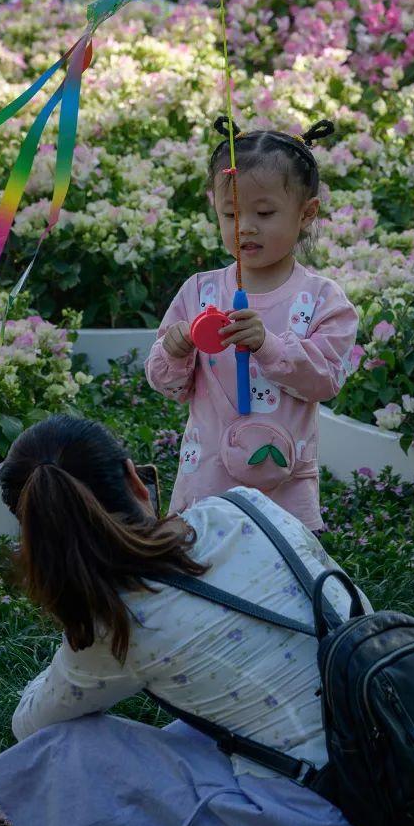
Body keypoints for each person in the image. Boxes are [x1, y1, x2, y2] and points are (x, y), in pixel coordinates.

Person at [0, 413, 414, 826]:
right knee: (206, 725)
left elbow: (32, 727)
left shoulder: (116, 623)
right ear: (136, 480)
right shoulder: (247, 507)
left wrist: (73, 643)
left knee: (61, 754)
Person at [145, 119, 359, 533]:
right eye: (230, 213)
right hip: (206, 481)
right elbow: (168, 385)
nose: (244, 225)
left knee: (280, 579)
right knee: (205, 574)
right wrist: (174, 349)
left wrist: (269, 346)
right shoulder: (199, 292)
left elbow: (325, 380)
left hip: (282, 487)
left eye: (264, 212)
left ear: (306, 213)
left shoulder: (322, 300)